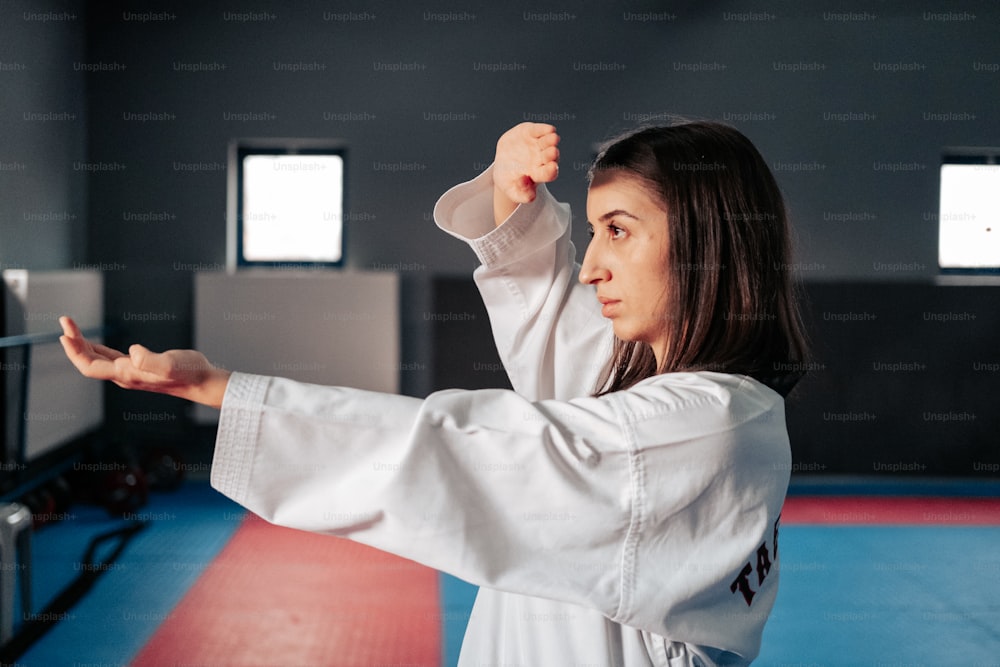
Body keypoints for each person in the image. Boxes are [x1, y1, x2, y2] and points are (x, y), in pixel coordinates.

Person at [61, 121, 808, 666]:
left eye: (618, 230)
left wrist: (221, 388)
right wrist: (509, 199)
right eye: (593, 233)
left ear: (710, 238)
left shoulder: (698, 432)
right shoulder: (670, 399)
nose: (591, 267)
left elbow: (464, 452)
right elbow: (558, 325)